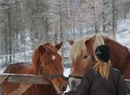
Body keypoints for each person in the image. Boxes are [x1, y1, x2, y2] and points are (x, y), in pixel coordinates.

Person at [64, 45, 128, 95]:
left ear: (96, 57)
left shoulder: (90, 74)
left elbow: (81, 93)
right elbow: (123, 92)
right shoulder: (116, 74)